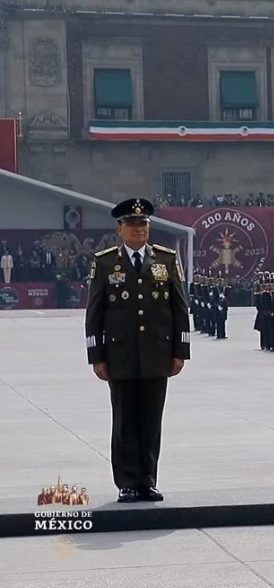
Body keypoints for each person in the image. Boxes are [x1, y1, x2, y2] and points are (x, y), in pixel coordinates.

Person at [85, 198, 191, 503]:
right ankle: (127, 482)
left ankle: (148, 479)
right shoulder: (106, 262)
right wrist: (97, 356)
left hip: (157, 354)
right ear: (120, 228)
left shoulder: (166, 260)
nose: (138, 230)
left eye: (143, 224)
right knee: (125, 421)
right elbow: (95, 313)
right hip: (120, 355)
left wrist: (180, 350)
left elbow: (179, 308)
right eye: (132, 225)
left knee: (151, 420)